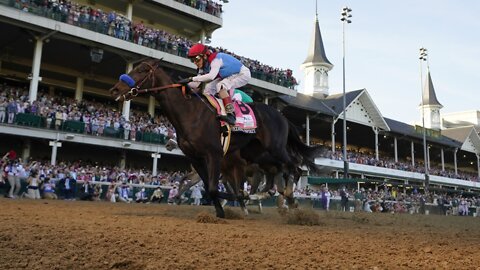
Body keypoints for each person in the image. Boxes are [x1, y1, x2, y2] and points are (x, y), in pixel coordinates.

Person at [181, 43, 251, 126]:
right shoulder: (202, 67)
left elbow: (211, 76)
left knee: (221, 86)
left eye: (196, 59)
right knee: (208, 90)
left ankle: (231, 115)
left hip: (242, 74)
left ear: (205, 56)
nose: (195, 62)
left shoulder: (216, 60)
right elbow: (196, 84)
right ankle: (211, 113)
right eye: (192, 60)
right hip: (227, 76)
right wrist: (181, 83)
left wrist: (190, 79)